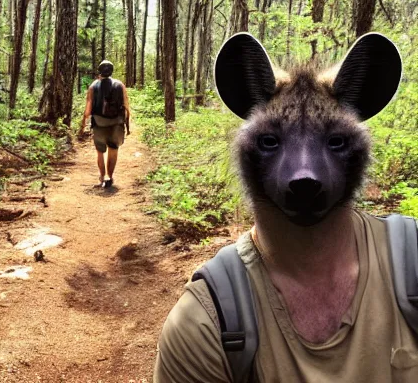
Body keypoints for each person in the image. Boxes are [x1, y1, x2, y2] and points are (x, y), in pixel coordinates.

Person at [154, 32, 418, 382]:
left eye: (335, 142)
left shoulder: (411, 261)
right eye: (270, 142)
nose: (303, 174)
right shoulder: (206, 322)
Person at [79, 60, 130, 188]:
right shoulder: (120, 85)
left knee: (100, 152)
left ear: (99, 71)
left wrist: (83, 124)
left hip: (99, 124)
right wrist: (127, 123)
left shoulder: (93, 86)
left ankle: (101, 177)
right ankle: (110, 177)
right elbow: (126, 106)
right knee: (113, 150)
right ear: (111, 71)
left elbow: (88, 110)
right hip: (116, 124)